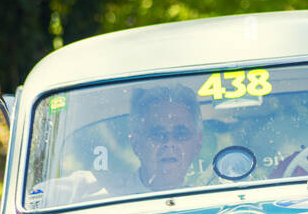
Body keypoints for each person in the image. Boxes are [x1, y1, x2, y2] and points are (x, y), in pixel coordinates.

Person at [38, 84, 204, 207]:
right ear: (137, 144)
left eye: (181, 134)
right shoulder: (89, 190)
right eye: (158, 135)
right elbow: (33, 202)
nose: (169, 143)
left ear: (197, 143)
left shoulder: (213, 198)